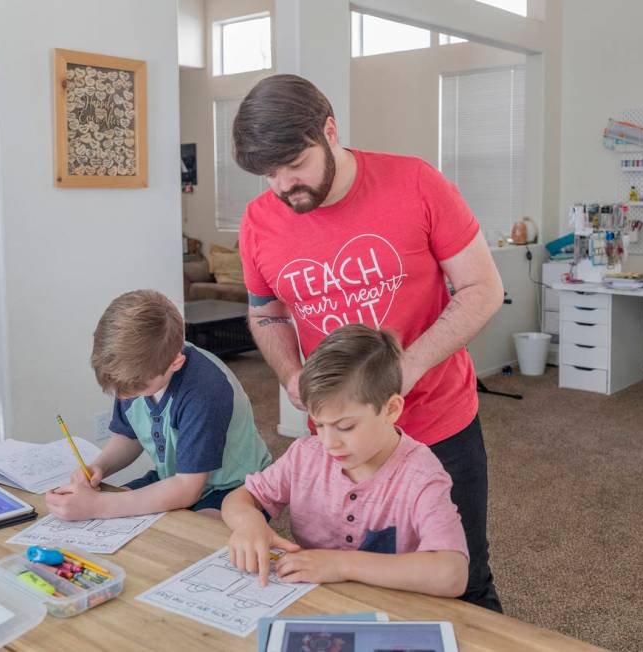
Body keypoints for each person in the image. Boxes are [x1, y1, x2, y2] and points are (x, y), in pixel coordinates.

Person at [233, 74, 503, 611]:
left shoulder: (416, 183)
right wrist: (291, 375)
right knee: (343, 582)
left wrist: (408, 367)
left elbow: (484, 288)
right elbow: (265, 311)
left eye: (295, 165)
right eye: (268, 174)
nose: (284, 186)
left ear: (329, 131)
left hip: (437, 422)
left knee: (463, 581)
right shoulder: (259, 220)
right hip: (339, 432)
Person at [221, 324, 469, 598]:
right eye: (319, 425)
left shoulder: (420, 474)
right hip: (316, 599)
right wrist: (249, 523)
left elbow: (452, 574)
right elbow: (239, 499)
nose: (329, 442)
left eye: (346, 426)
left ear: (391, 409)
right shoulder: (306, 455)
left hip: (394, 607)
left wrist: (341, 565)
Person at [45, 289, 272, 520]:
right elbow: (129, 437)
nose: (124, 397)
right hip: (174, 477)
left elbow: (188, 488)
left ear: (176, 362)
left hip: (235, 489)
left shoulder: (206, 390)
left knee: (193, 535)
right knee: (122, 511)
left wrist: (97, 506)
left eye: (135, 389)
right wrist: (101, 466)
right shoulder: (133, 376)